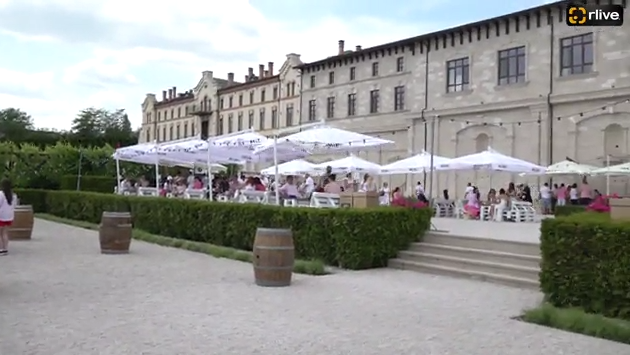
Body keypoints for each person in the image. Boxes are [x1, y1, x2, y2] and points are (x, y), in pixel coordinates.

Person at [0, 178, 16, 255]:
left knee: (0, 233)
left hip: (1, 216)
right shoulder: (13, 195)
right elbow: (14, 205)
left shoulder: (1, 194)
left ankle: (1, 248)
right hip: (9, 216)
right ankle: (5, 248)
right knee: (5, 233)